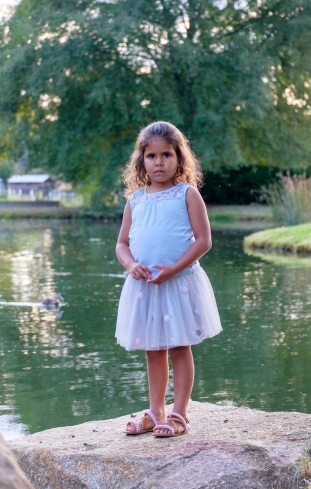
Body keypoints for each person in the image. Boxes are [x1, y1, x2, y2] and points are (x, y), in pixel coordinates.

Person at [115, 121, 222, 437]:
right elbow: (122, 244)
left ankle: (179, 414)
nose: (158, 162)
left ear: (179, 158)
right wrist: (131, 263)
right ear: (141, 161)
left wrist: (173, 269)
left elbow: (203, 241)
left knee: (178, 346)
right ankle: (155, 411)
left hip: (178, 283)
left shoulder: (187, 194)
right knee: (153, 350)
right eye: (151, 156)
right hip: (145, 286)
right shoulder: (136, 200)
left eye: (166, 155)